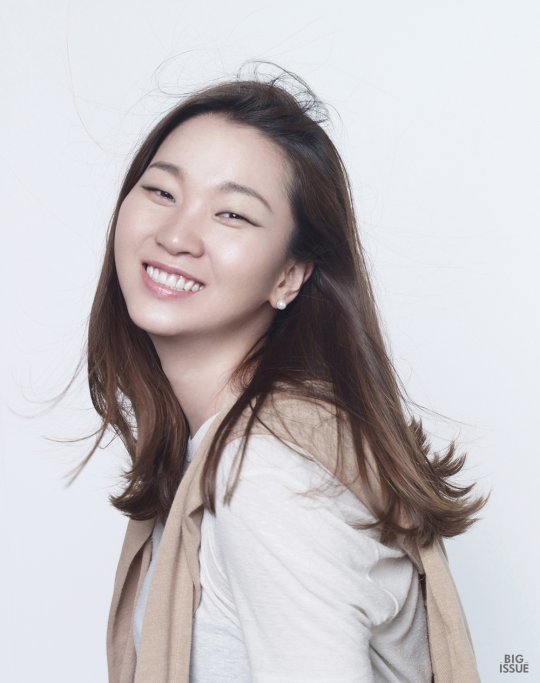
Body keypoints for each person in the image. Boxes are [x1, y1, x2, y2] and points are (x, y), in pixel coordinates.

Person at [75, 65, 488, 682]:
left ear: (289, 275)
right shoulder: (215, 454)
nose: (177, 235)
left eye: (232, 215)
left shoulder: (267, 474)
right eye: (161, 192)